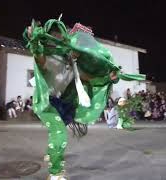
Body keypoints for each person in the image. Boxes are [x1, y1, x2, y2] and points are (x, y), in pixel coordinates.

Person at [24, 18, 145, 180]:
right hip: (48, 104)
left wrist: (110, 77)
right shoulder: (50, 59)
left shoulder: (75, 67)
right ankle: (56, 173)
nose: (78, 50)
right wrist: (33, 40)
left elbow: (91, 79)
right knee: (59, 133)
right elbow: (39, 57)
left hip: (64, 105)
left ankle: (51, 151)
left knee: (57, 132)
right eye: (75, 46)